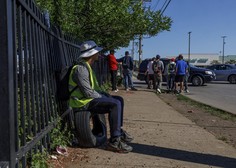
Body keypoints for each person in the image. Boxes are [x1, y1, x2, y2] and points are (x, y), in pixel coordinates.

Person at [68, 41, 133, 153]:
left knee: (119, 100)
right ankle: (114, 141)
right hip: (81, 102)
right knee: (114, 104)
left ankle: (118, 131)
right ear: (92, 54)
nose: (98, 54)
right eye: (97, 52)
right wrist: (106, 98)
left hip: (87, 99)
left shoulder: (87, 66)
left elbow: (96, 89)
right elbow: (88, 92)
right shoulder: (80, 69)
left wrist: (106, 95)